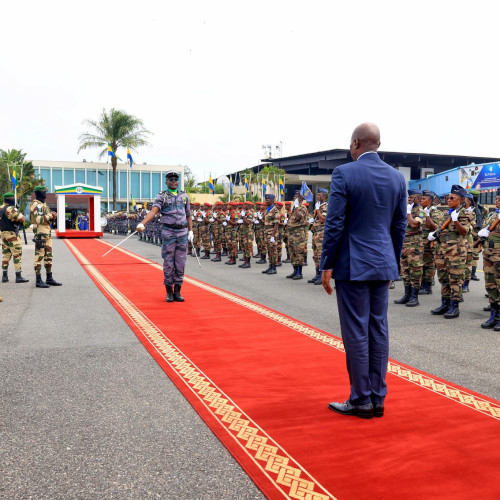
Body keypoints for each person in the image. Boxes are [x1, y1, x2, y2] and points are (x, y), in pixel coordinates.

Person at [320, 123, 406, 419]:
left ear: (355, 143)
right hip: (383, 263)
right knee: (378, 328)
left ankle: (360, 400)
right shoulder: (397, 178)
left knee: (356, 330)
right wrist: (391, 263)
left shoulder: (344, 172)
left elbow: (334, 223)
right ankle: (378, 397)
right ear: (377, 144)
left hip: (352, 264)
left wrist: (326, 263)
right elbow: (399, 226)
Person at [136, 171, 193, 302]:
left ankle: (178, 291)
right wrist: (142, 223)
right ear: (166, 182)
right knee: (168, 262)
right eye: (171, 179)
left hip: (182, 233)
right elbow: (154, 211)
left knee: (180, 262)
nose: (174, 181)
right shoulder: (162, 196)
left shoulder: (184, 196)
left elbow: (188, 214)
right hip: (169, 232)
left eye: (176, 179)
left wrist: (191, 231)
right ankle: (169, 291)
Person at [428, 185, 472, 318]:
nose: (448, 200)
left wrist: (456, 220)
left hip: (456, 251)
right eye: (448, 197)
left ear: (461, 200)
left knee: (455, 279)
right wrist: (434, 234)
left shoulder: (465, 214)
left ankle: (454, 306)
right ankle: (445, 304)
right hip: (441, 250)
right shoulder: (445, 213)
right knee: (443, 278)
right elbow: (440, 228)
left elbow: (464, 232)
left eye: (452, 198)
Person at [393, 189, 425, 307]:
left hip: (415, 246)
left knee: (415, 271)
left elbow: (414, 224)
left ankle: (414, 297)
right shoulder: (407, 210)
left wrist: (408, 213)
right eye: (409, 197)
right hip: (404, 245)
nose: (409, 199)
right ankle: (407, 295)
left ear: (418, 198)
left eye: (411, 197)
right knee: (405, 271)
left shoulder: (421, 211)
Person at [30, 186, 62, 288]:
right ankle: (38, 280)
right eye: (44, 192)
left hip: (47, 232)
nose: (45, 194)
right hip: (40, 233)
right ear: (39, 193)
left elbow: (47, 219)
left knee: (48, 256)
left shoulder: (43, 205)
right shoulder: (36, 205)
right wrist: (50, 216)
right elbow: (39, 219)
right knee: (39, 256)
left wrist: (52, 217)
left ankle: (49, 278)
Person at [478, 188, 500, 329]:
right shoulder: (493, 215)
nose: (496, 200)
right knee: (490, 285)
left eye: (499, 198)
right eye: (496, 198)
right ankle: (494, 315)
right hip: (488, 254)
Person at [1, 192, 29, 283]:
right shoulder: (11, 209)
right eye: (12, 198)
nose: (13, 199)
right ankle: (18, 276)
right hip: (12, 234)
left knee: (6, 254)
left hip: (3, 233)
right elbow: (22, 219)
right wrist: (18, 212)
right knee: (17, 254)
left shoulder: (0, 208)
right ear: (9, 199)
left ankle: (4, 276)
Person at [419, 190, 444, 295]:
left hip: (430, 243)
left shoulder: (436, 213)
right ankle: (422, 284)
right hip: (420, 242)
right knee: (421, 264)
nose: (421, 200)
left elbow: (434, 227)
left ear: (429, 201)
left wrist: (428, 216)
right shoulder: (420, 211)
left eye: (423, 199)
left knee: (429, 265)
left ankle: (428, 286)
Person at [286, 191, 308, 280]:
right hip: (292, 234)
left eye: (296, 197)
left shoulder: (302, 207)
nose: (294, 198)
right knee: (292, 253)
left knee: (298, 253)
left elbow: (298, 217)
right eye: (294, 197)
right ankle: (295, 271)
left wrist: (296, 207)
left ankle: (299, 272)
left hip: (298, 234)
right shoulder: (295, 208)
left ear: (301, 198)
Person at [308, 188, 328, 284]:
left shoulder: (326, 206)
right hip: (316, 234)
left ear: (324, 196)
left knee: (321, 255)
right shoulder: (319, 206)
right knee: (316, 256)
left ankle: (321, 276)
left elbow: (323, 219)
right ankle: (317, 274)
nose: (317, 196)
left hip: (321, 235)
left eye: (319, 195)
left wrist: (317, 210)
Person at [261, 194, 280, 275]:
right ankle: (270, 265)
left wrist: (273, 235)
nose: (266, 201)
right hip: (266, 233)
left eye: (268, 200)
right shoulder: (267, 209)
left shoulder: (275, 210)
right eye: (266, 200)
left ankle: (274, 267)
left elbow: (276, 223)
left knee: (273, 250)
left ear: (272, 200)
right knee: (269, 250)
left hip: (272, 233)